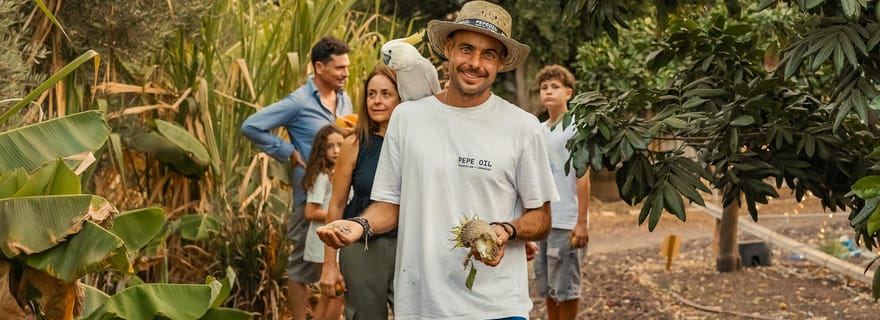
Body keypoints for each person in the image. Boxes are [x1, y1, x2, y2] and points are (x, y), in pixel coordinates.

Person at [318, 2, 559, 319]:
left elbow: (541, 218)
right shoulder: (407, 118)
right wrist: (359, 224)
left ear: (501, 62)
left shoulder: (522, 127)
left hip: (498, 306)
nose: (474, 63)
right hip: (422, 305)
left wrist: (505, 230)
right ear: (448, 48)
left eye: (488, 54)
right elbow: (389, 205)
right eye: (466, 49)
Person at [240, 36, 353, 320]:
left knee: (337, 264)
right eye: (339, 68)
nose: (345, 73)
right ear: (319, 67)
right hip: (310, 197)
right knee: (302, 266)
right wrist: (289, 151)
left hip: (340, 196)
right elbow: (251, 126)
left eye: (347, 67)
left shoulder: (345, 98)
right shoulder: (299, 102)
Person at [319, 66, 401, 320]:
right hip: (362, 249)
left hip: (408, 245)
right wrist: (330, 264)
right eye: (371, 94)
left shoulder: (415, 142)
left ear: (401, 97)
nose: (377, 101)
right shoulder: (353, 144)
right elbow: (337, 204)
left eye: (386, 94)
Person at [532, 64, 590, 320]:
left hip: (567, 221)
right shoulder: (539, 131)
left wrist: (581, 222)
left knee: (566, 286)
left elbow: (583, 175)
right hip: (543, 220)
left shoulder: (576, 127)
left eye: (555, 87)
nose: (549, 92)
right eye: (544, 87)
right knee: (547, 285)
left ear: (568, 92)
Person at [301, 124, 345, 320]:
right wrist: (339, 216)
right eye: (330, 146)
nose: (336, 151)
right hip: (324, 241)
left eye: (340, 145)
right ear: (321, 149)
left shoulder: (339, 173)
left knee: (329, 296)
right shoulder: (322, 176)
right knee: (337, 293)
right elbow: (310, 211)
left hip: (333, 238)